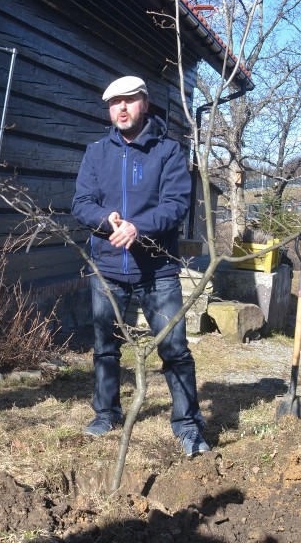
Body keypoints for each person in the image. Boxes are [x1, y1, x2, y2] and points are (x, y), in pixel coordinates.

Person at [71, 76, 209, 456]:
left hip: (157, 269)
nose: (122, 109)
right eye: (115, 103)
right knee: (104, 346)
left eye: (129, 101)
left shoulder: (167, 152)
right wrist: (106, 220)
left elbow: (177, 204)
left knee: (175, 348)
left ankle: (187, 424)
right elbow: (80, 203)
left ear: (144, 104)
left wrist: (138, 227)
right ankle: (106, 412)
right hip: (108, 267)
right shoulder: (97, 152)